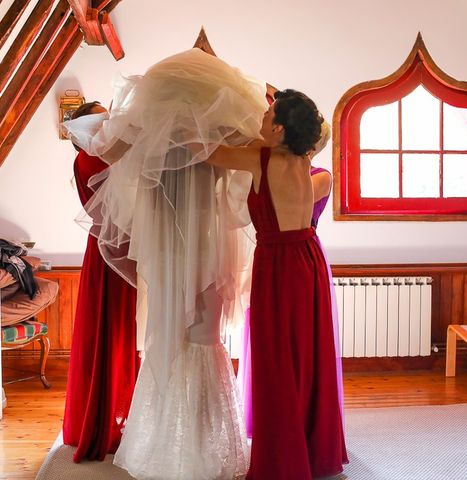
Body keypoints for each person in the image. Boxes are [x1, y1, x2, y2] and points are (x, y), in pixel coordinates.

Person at [63, 49, 267, 479]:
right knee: (200, 339)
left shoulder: (144, 142)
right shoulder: (212, 145)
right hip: (202, 250)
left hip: (164, 253)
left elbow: (95, 141)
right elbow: (254, 154)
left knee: (172, 341)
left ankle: (164, 443)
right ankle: (199, 446)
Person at [201, 89, 348, 479]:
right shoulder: (302, 159)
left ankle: (284, 459)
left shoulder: (259, 157)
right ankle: (309, 448)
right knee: (303, 355)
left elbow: (207, 151)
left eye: (266, 117)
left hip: (280, 263)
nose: (260, 122)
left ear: (279, 128)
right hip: (308, 258)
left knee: (276, 358)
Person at [236, 121, 345, 438]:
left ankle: (304, 425)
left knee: (301, 343)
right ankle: (270, 418)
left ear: (312, 147)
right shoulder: (271, 166)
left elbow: (286, 203)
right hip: (268, 255)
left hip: (300, 257)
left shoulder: (321, 176)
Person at [62, 102, 140, 463]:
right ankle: (112, 419)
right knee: (116, 332)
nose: (112, 122)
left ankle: (117, 413)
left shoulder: (93, 158)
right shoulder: (96, 160)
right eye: (104, 118)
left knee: (120, 332)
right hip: (114, 253)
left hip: (110, 249)